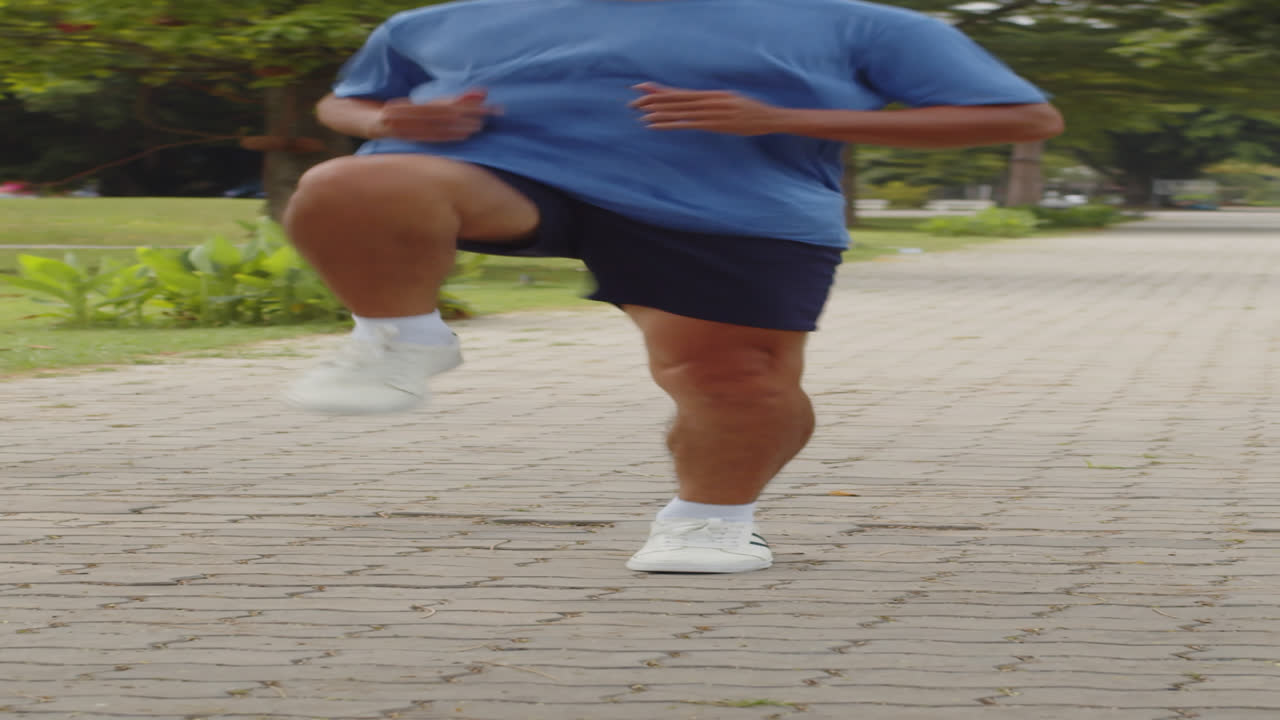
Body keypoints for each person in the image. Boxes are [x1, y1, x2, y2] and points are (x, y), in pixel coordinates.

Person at [282, 0, 1063, 573]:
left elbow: (1027, 119)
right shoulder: (438, 19)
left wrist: (779, 119)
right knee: (345, 186)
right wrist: (386, 123)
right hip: (497, 176)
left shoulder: (864, 24)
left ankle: (710, 520)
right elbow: (346, 100)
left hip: (725, 209)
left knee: (736, 384)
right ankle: (397, 339)